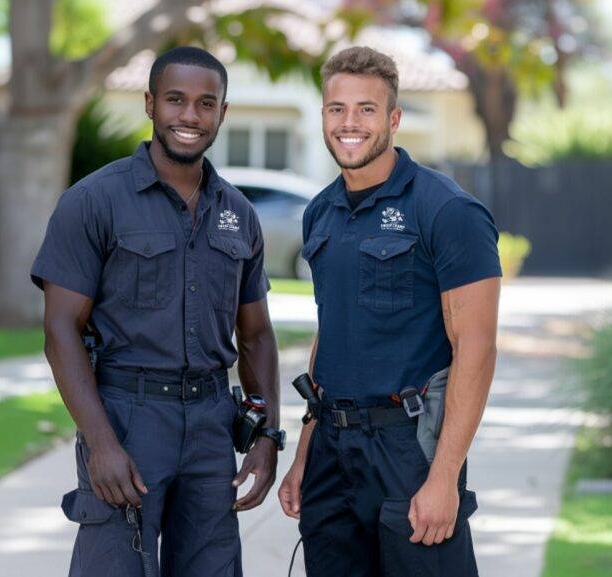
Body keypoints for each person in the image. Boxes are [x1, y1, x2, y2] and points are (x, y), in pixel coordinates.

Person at [31, 46, 285, 577]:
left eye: (205, 103)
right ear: (150, 104)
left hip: (213, 425)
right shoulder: (94, 201)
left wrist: (266, 437)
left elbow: (257, 336)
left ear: (222, 113)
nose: (189, 116)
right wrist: (100, 443)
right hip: (128, 418)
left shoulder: (239, 214)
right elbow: (61, 330)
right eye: (175, 100)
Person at [277, 46, 501, 577]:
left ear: (394, 118)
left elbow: (478, 348)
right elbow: (328, 334)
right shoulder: (320, 212)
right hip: (332, 448)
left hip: (409, 448)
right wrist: (305, 452)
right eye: (337, 109)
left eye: (366, 109)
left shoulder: (447, 211)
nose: (349, 123)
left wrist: (444, 476)